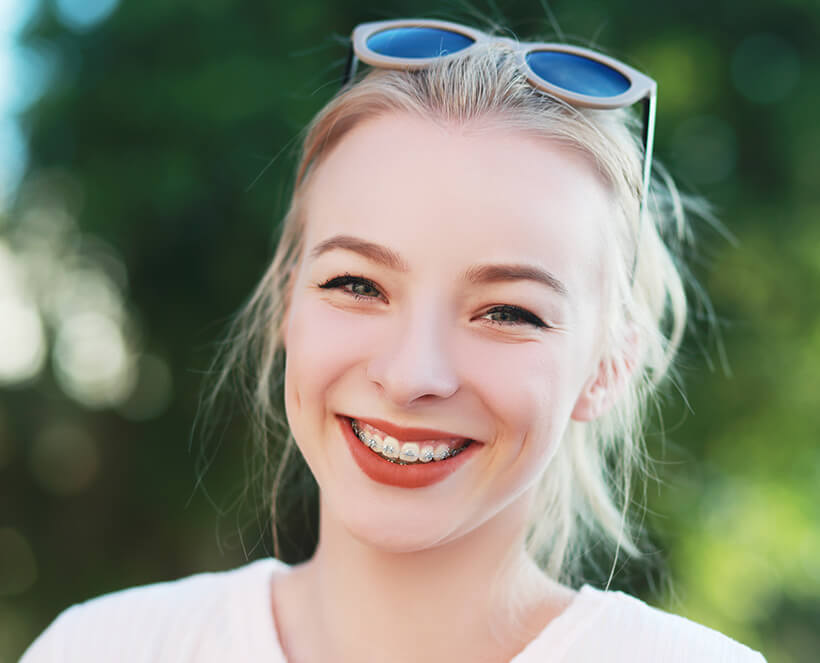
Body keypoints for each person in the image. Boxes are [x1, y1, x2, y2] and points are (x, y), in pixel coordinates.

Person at [21, 18, 765, 663]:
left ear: (608, 367)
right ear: (288, 303)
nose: (412, 374)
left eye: (508, 312)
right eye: (357, 285)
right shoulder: (102, 647)